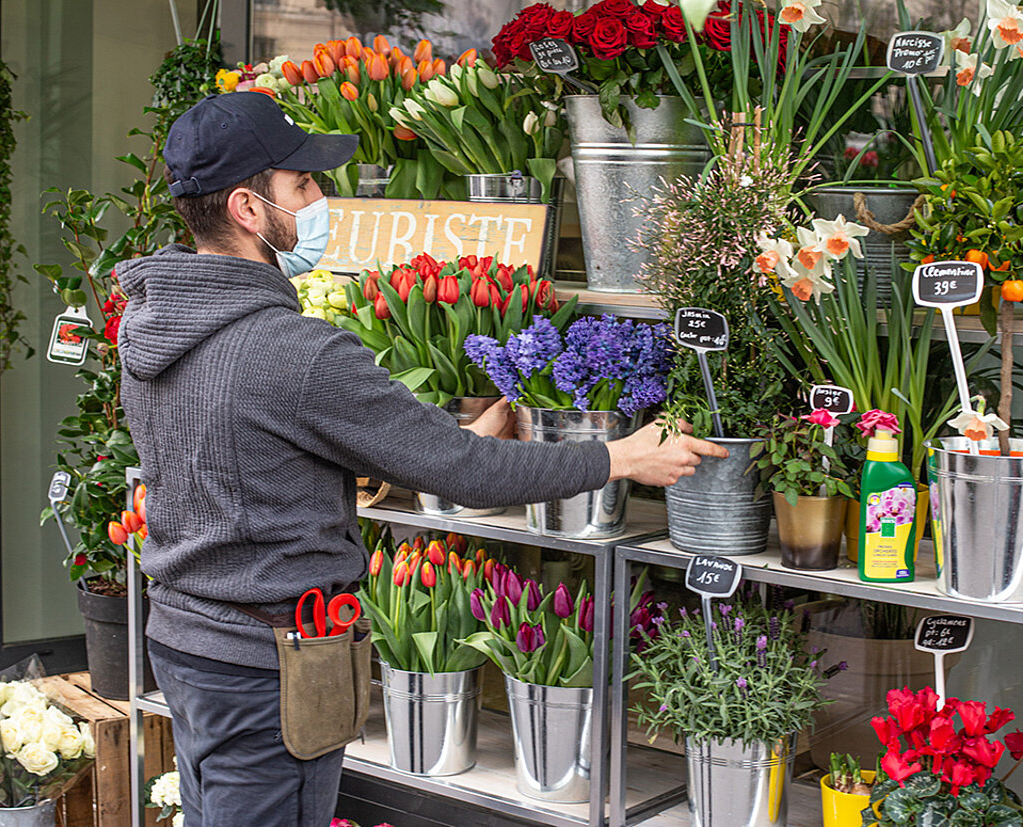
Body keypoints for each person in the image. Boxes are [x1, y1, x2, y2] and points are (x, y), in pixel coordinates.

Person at [117, 91, 727, 827]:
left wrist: (420, 434)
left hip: (186, 637)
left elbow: (248, 444)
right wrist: (620, 458)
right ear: (248, 208)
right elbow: (464, 473)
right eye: (303, 184)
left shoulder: (154, 325)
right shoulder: (294, 353)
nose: (322, 197)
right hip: (267, 664)